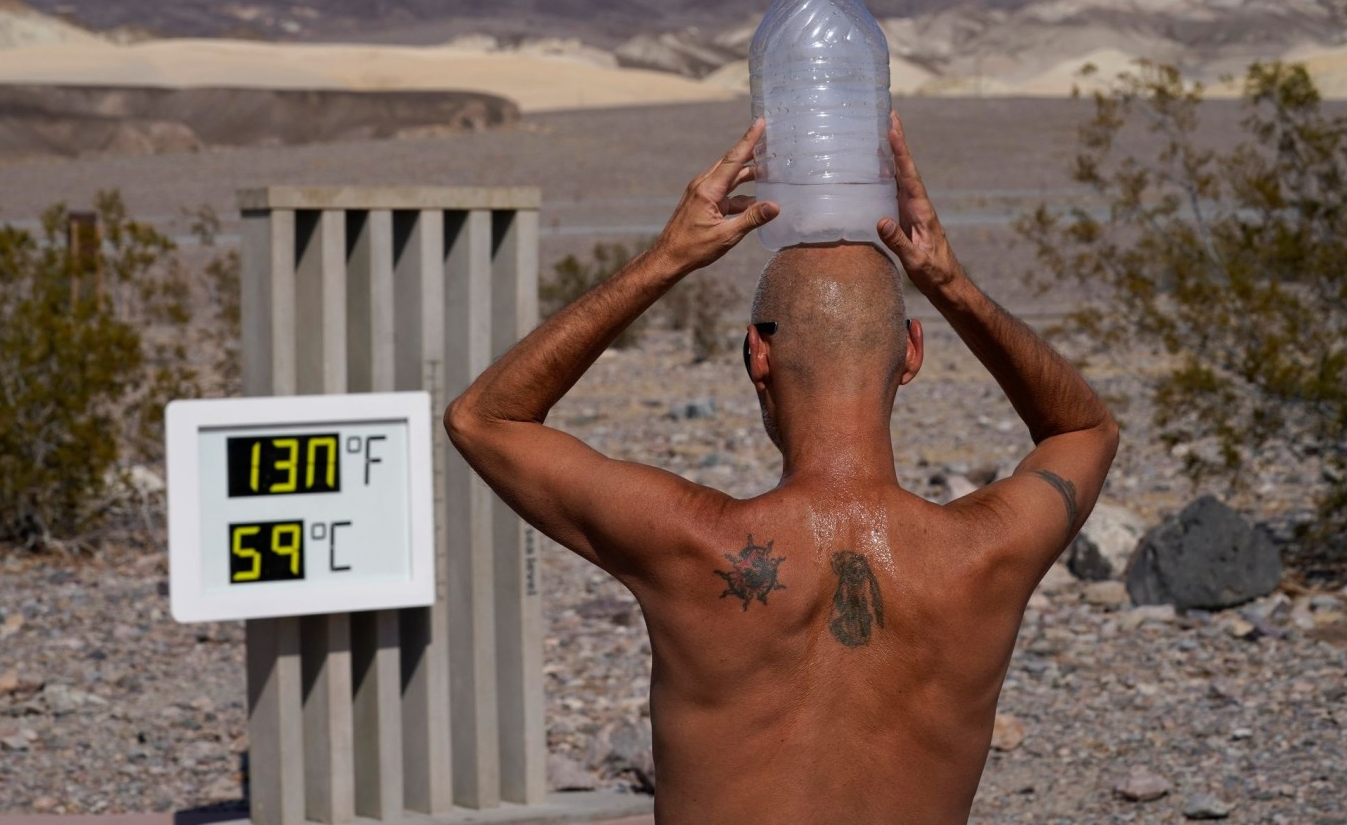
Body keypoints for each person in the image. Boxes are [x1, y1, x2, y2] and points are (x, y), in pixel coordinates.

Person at [445, 113, 1119, 825]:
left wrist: (669, 258)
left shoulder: (691, 544)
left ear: (756, 355)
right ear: (913, 353)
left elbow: (484, 419)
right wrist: (952, 285)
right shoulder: (984, 554)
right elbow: (1085, 428)